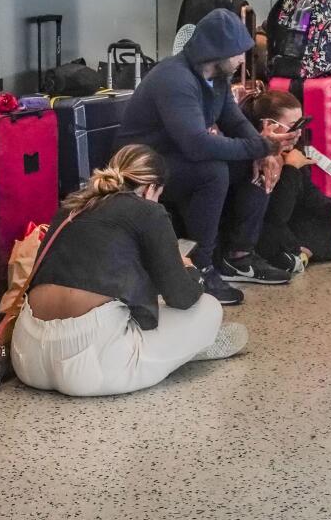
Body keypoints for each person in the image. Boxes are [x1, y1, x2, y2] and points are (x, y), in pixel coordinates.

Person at [13, 145, 247, 397]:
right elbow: (183, 297)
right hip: (91, 368)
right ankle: (186, 351)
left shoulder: (71, 207)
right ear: (150, 189)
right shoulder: (149, 211)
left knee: (127, 309)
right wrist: (188, 269)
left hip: (26, 359)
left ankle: (175, 350)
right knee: (208, 308)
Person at [114, 8, 297, 305]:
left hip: (175, 156)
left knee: (255, 165)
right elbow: (196, 145)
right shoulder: (174, 79)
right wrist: (260, 147)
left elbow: (234, 121)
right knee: (212, 170)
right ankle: (202, 265)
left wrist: (265, 151)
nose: (242, 60)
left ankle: (240, 255)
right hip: (141, 165)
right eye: (238, 53)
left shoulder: (217, 79)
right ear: (217, 51)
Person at [240, 91, 331, 268]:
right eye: (292, 126)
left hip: (286, 220)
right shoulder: (256, 159)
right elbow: (276, 215)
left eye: (302, 124)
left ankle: (299, 253)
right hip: (265, 225)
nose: (298, 133)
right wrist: (291, 169)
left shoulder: (293, 150)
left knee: (329, 224)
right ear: (268, 126)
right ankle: (297, 253)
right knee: (279, 234)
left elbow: (308, 192)